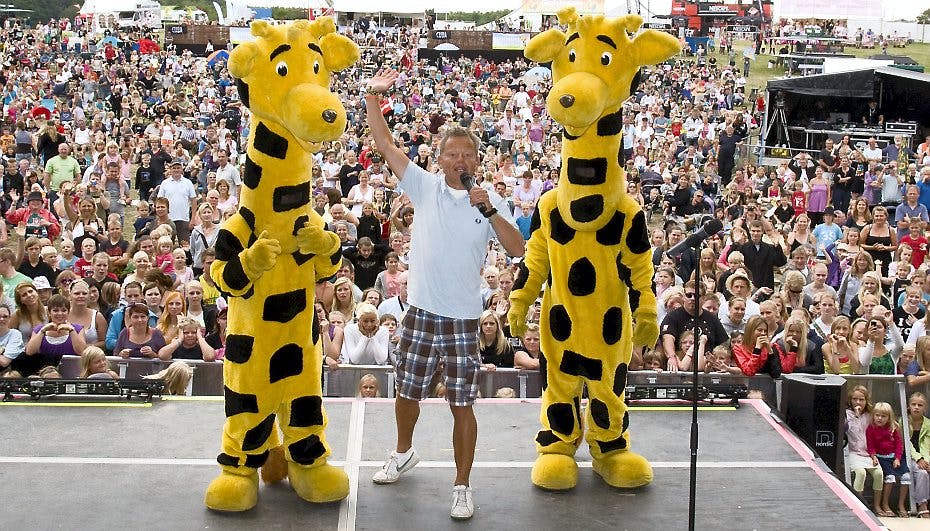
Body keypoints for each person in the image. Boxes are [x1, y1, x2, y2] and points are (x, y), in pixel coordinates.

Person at [364, 68, 524, 520]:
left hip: (462, 318)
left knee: (462, 403)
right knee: (407, 393)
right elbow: (386, 146)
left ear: (476, 160)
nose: (458, 159)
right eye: (451, 153)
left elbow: (517, 249)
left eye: (465, 154)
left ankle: (462, 484)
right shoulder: (424, 186)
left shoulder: (489, 198)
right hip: (420, 312)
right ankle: (402, 452)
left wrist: (489, 209)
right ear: (439, 160)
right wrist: (374, 98)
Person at [16, 295, 87, 378]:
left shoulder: (77, 329)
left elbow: (82, 352)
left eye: (64, 310)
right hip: (45, 376)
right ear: (49, 313)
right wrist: (42, 331)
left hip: (72, 375)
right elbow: (30, 351)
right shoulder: (39, 329)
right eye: (55, 310)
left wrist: (72, 331)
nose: (60, 313)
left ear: (68, 312)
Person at [867, 402, 910, 518]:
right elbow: (870, 445)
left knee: (906, 477)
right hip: (882, 458)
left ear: (889, 417)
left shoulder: (893, 427)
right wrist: (873, 456)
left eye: (883, 416)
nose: (880, 418)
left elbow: (899, 445)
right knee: (890, 477)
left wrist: (897, 458)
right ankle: (885, 504)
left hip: (894, 457)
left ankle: (901, 505)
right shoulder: (871, 428)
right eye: (877, 415)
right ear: (873, 415)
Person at [846, 385, 884, 507]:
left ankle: (877, 505)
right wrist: (856, 416)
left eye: (861, 399)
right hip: (853, 452)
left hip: (868, 453)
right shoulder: (847, 414)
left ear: (866, 401)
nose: (858, 402)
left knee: (879, 474)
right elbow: (850, 431)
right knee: (861, 473)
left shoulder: (869, 415)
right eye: (855, 399)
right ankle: (858, 504)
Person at [906, 392, 930, 519]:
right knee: (922, 473)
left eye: (920, 405)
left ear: (924, 408)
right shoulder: (903, 421)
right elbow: (906, 444)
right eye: (913, 404)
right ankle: (922, 504)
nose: (916, 407)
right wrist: (919, 458)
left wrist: (926, 461)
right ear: (909, 406)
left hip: (925, 458)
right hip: (909, 457)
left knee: (925, 470)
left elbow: (927, 445)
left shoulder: (928, 424)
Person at [0, 305, 25, 376]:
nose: (2, 319)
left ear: (10, 318)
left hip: (8, 376)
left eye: (5, 316)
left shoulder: (15, 334)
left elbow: (5, 362)